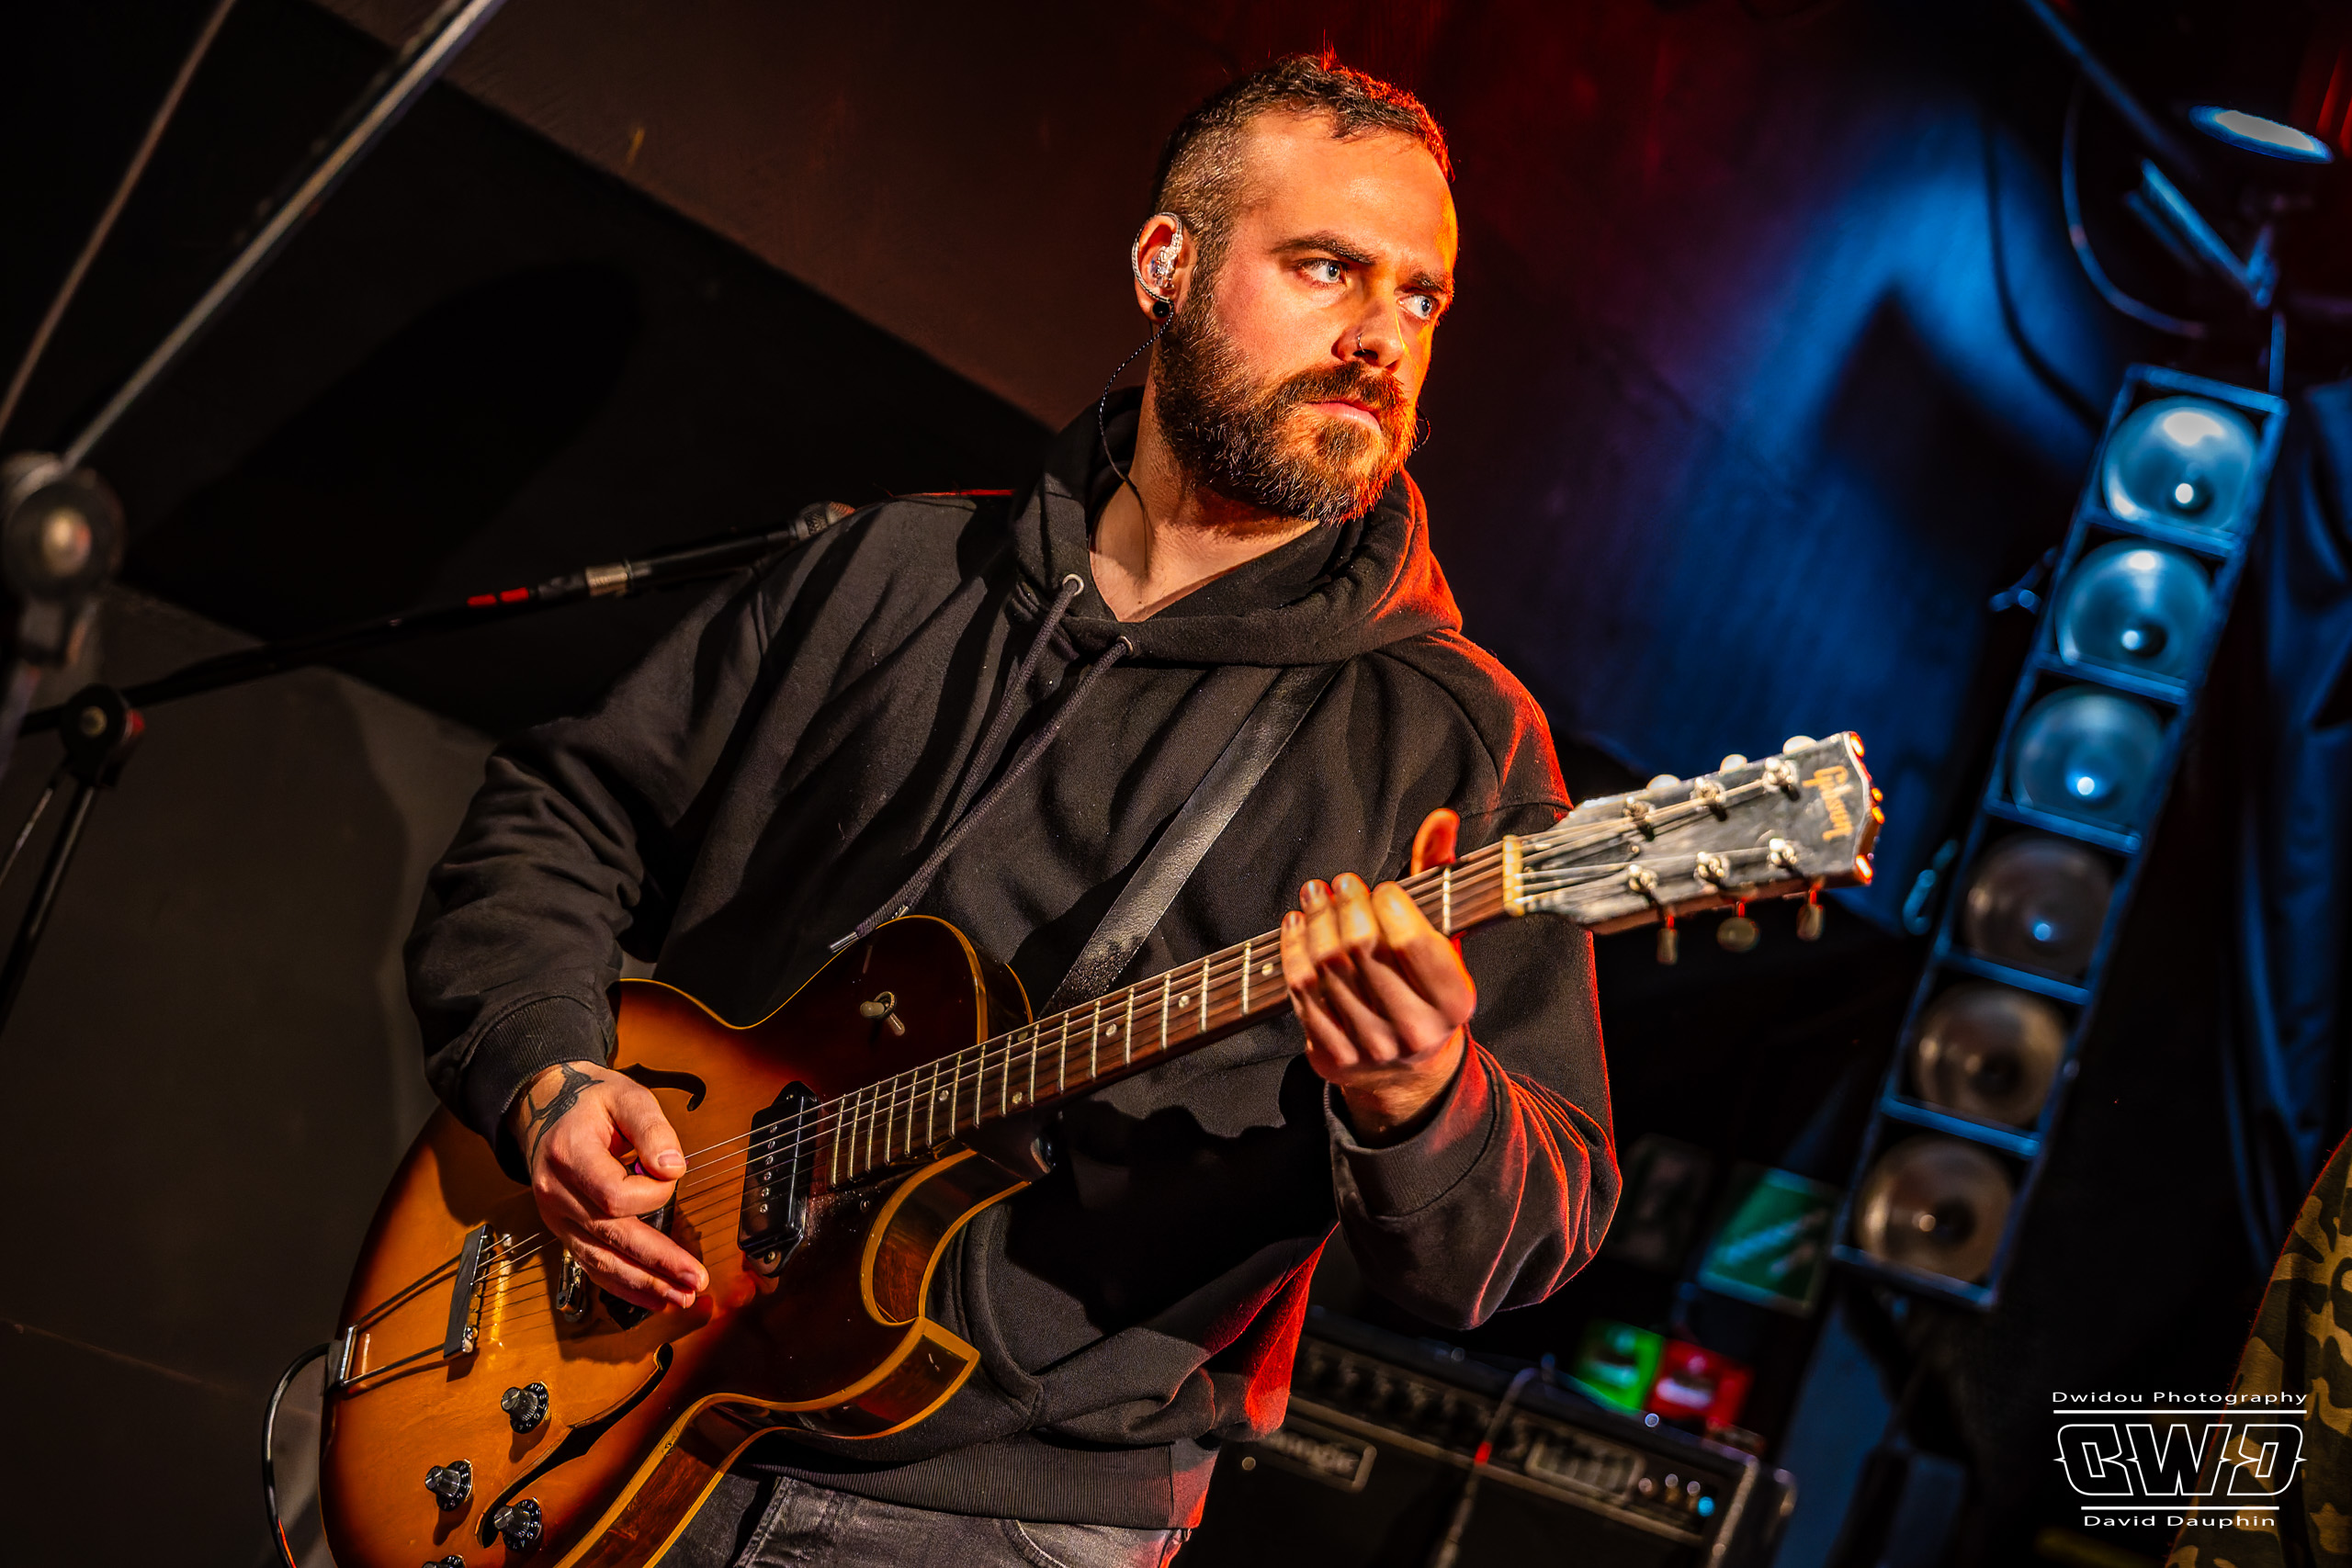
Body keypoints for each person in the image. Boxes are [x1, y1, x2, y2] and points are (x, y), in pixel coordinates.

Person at [409, 52, 1618, 1568]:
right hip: (619, 1394)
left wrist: (1421, 1093)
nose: (1381, 337)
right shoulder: (896, 572)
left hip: (1004, 1520)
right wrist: (547, 1080)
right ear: (1167, 265)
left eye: (1421, 298)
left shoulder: (1453, 737)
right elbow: (558, 816)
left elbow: (1533, 1223)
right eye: (1327, 268)